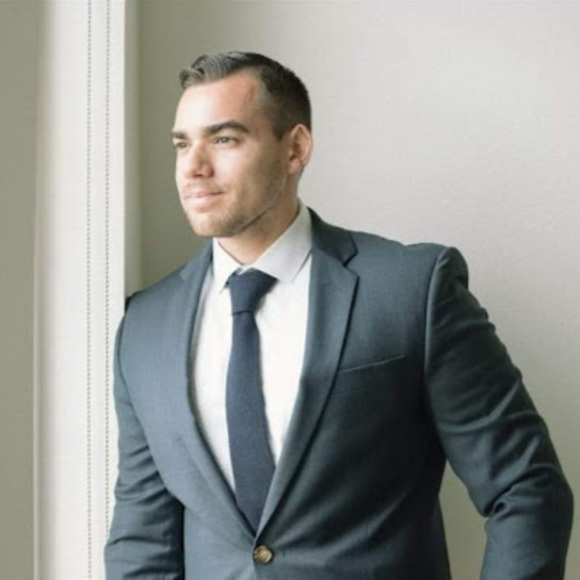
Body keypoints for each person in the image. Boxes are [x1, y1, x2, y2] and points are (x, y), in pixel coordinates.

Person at [104, 51, 573, 579]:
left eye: (225, 139)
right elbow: (143, 542)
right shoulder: (144, 327)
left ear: (295, 149)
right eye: (182, 144)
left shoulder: (411, 290)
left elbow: (526, 487)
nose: (194, 166)